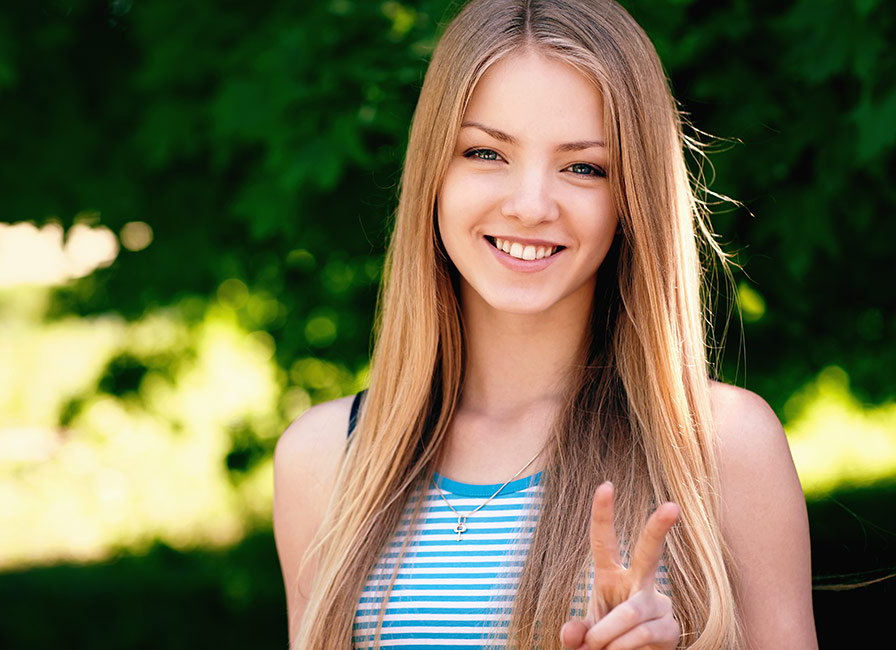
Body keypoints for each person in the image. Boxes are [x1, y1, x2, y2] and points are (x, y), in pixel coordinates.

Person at [273, 0, 817, 648]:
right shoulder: (324, 461)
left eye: (583, 166)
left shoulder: (721, 447)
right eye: (485, 152)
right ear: (432, 175)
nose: (531, 204)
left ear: (632, 196)